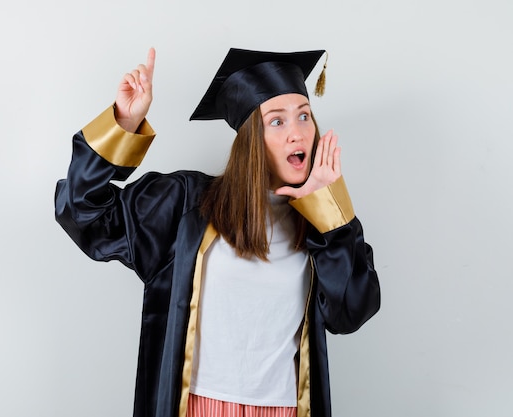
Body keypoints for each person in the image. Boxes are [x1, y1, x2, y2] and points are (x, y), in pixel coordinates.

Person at [55, 47, 380, 417]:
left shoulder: (322, 222)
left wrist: (329, 214)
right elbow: (81, 209)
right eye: (277, 121)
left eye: (304, 116)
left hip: (287, 408)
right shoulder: (185, 206)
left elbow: (352, 313)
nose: (297, 133)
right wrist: (124, 123)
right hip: (195, 406)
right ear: (250, 141)